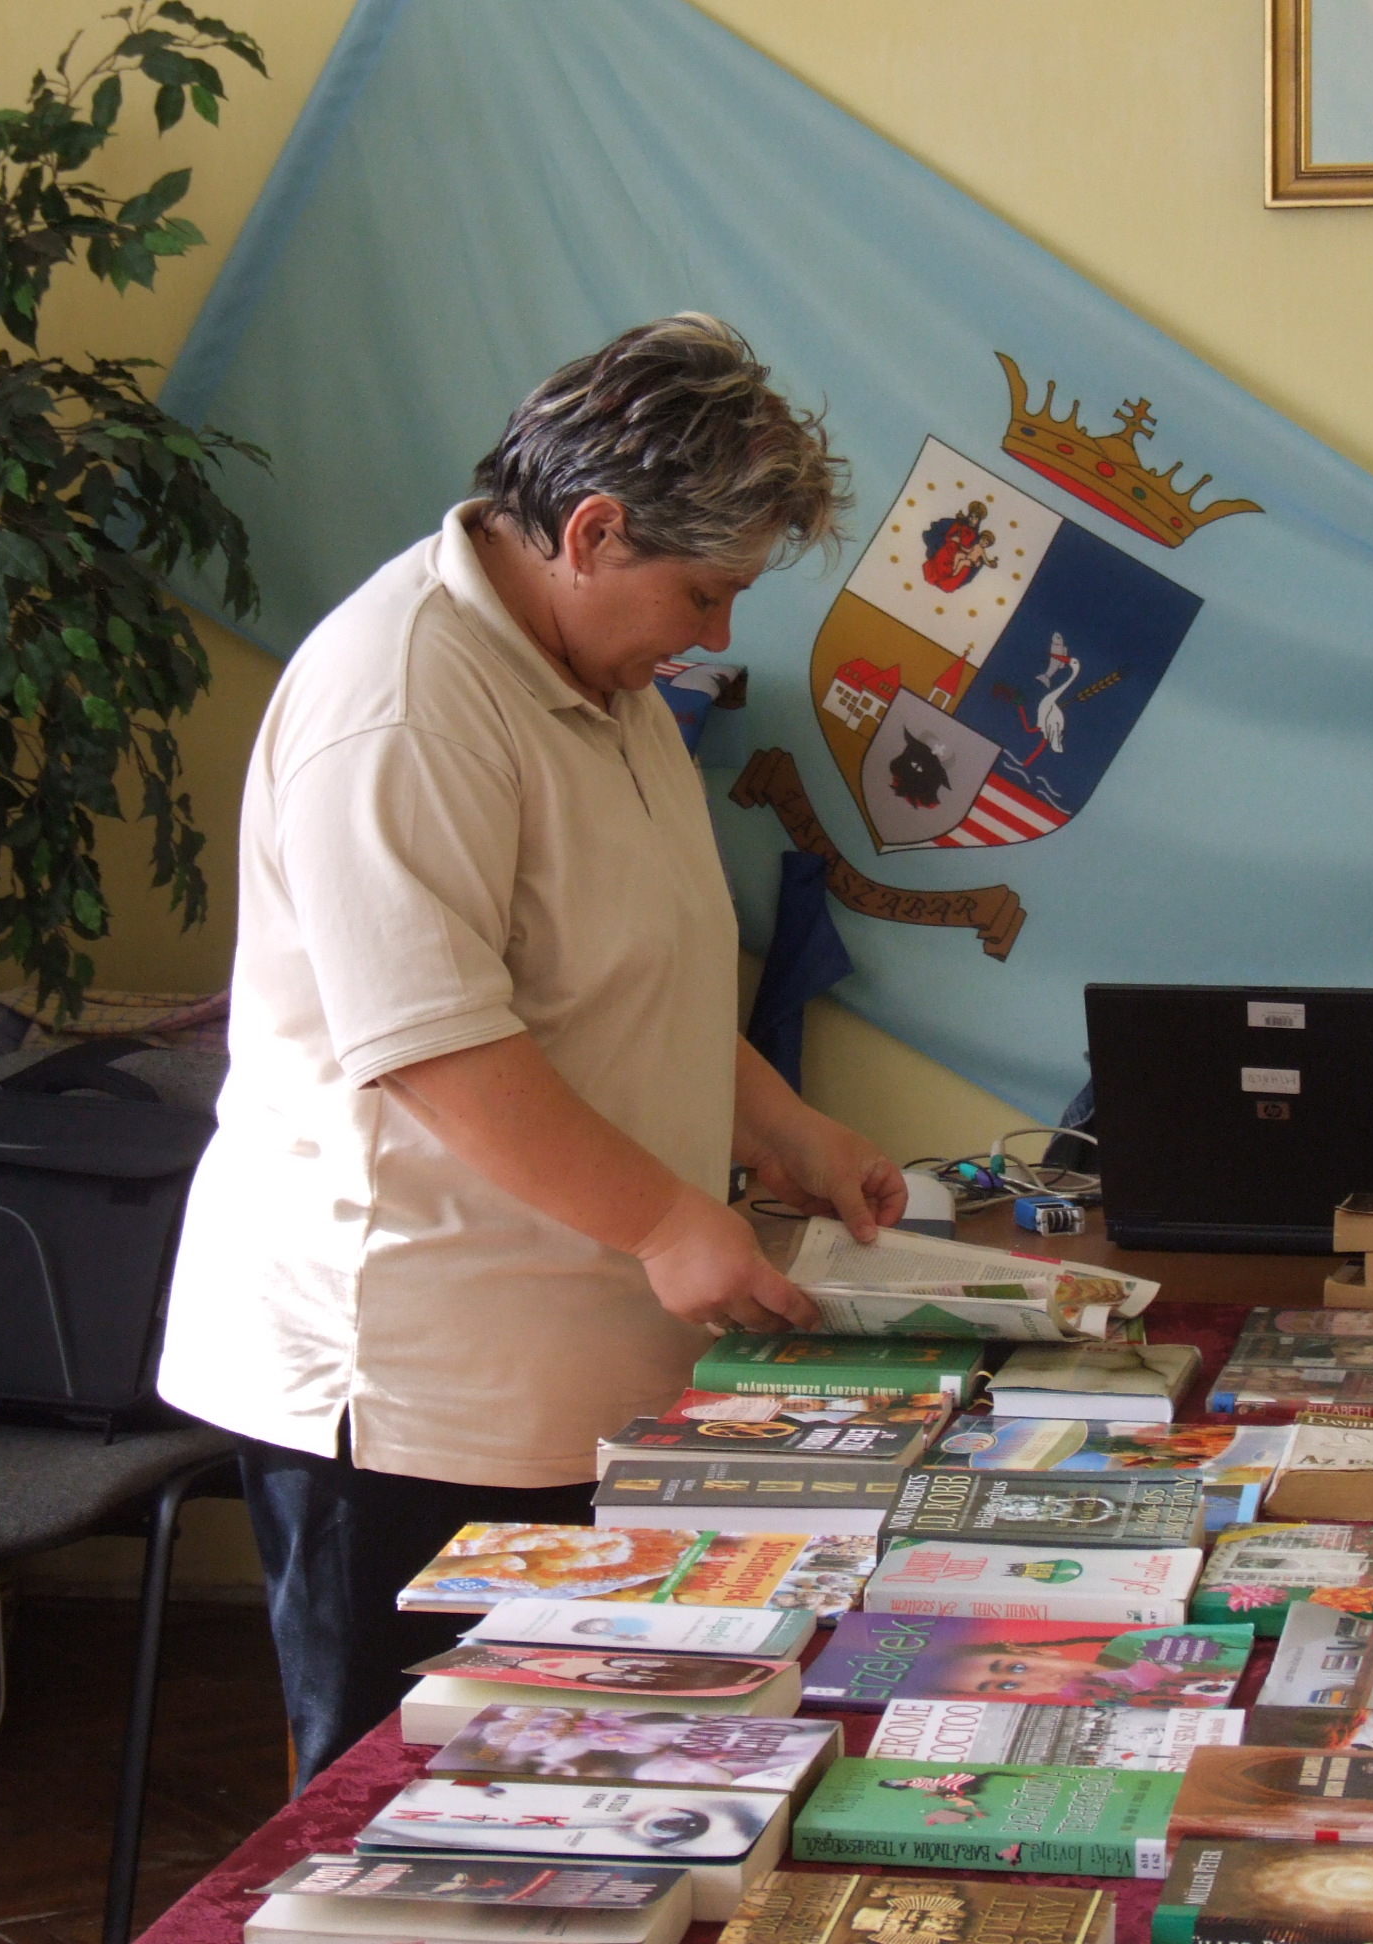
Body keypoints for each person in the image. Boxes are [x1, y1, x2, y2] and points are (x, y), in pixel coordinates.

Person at [158, 315, 906, 1790]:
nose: (716, 635)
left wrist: (789, 1134)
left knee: (577, 1796)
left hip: (576, 1364)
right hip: (413, 1389)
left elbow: (632, 982)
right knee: (417, 1805)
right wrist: (667, 1222)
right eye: (703, 593)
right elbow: (437, 1048)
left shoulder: (602, 674)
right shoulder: (402, 701)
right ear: (593, 531)